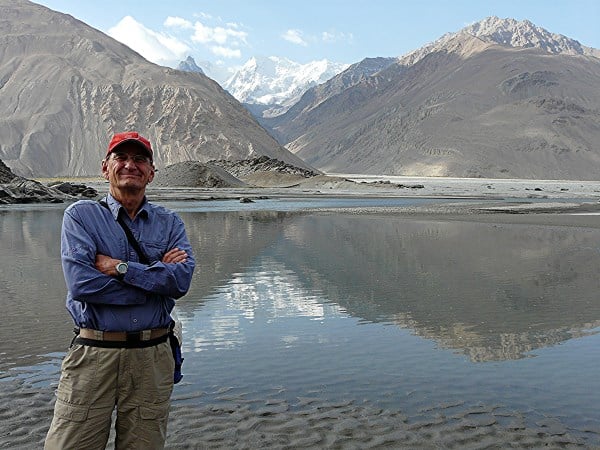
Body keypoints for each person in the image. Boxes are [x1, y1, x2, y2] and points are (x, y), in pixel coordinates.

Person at [45, 131, 196, 449]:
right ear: (105, 168)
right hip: (93, 355)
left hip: (153, 356)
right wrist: (156, 282)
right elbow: (82, 284)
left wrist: (121, 268)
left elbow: (181, 282)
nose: (131, 165)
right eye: (121, 158)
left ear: (151, 173)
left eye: (140, 159)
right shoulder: (82, 216)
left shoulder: (170, 223)